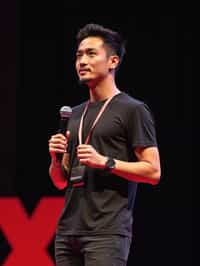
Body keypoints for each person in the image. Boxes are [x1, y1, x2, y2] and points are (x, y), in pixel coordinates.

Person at [48, 23, 161, 266]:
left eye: (91, 54)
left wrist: (105, 162)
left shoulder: (132, 109)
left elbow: (153, 172)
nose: (82, 61)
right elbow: (59, 181)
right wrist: (55, 159)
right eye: (79, 55)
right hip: (67, 233)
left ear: (113, 62)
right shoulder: (74, 114)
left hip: (106, 233)